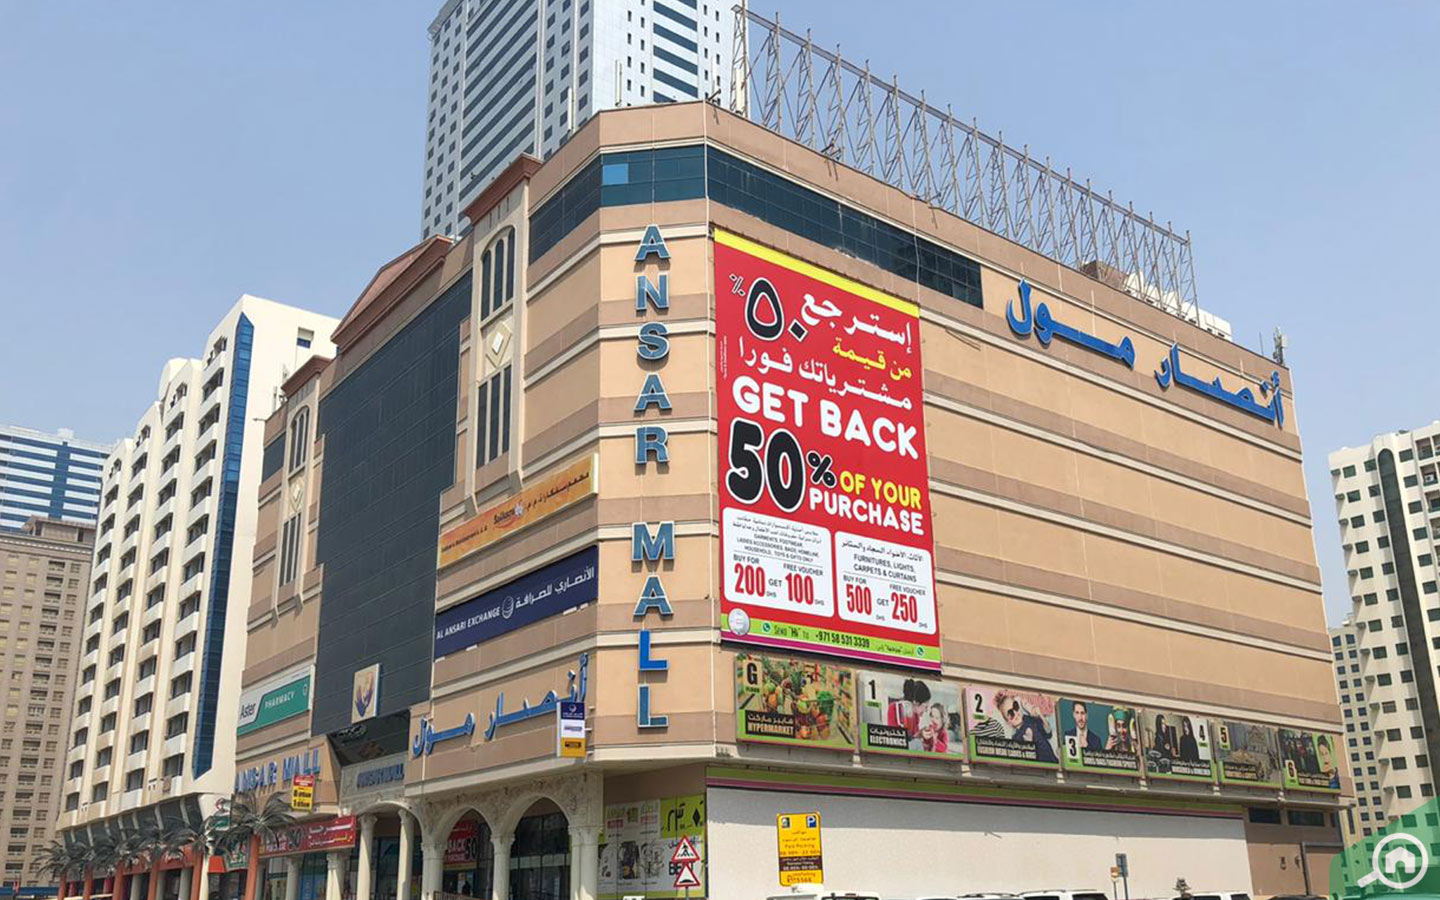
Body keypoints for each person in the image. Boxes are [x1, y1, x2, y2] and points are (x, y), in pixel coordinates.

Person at [997, 690, 1058, 763]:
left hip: (1052, 760)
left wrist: (1041, 716)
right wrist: (1029, 743)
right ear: (1008, 722)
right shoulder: (1016, 738)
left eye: (1015, 706)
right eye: (1010, 713)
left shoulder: (1030, 719)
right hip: (1040, 766)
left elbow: (1048, 734)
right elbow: (1025, 760)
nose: (1016, 713)